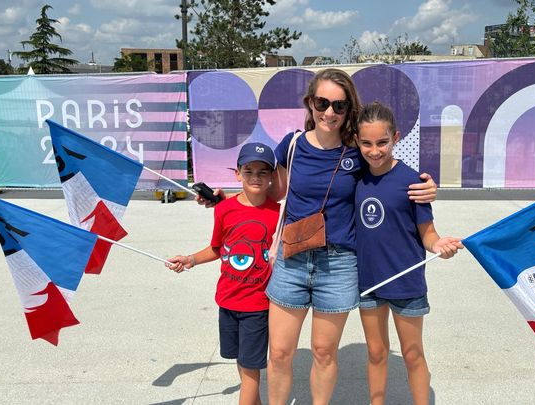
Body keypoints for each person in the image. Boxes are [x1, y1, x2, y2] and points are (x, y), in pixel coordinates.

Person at [264, 68, 439, 405]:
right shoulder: (292, 145)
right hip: (294, 258)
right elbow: (274, 193)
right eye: (322, 102)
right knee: (280, 353)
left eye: (339, 106)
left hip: (339, 263)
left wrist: (429, 186)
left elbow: (391, 173)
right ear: (310, 102)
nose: (329, 112)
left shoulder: (357, 152)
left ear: (349, 110)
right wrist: (222, 198)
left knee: (323, 352)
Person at [354, 102, 464, 405]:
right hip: (369, 284)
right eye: (366, 143)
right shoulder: (355, 179)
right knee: (376, 353)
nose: (374, 150)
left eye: (382, 142)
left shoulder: (412, 182)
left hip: (407, 283)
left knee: (413, 353)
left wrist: (440, 246)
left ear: (396, 138)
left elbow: (428, 233)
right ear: (357, 141)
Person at [165, 142, 280, 405]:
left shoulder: (278, 213)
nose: (255, 177)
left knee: (251, 371)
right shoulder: (224, 209)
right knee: (242, 363)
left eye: (263, 172)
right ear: (237, 174)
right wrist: (191, 259)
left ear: (273, 177)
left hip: (258, 305)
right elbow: (218, 248)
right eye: (248, 171)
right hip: (227, 301)